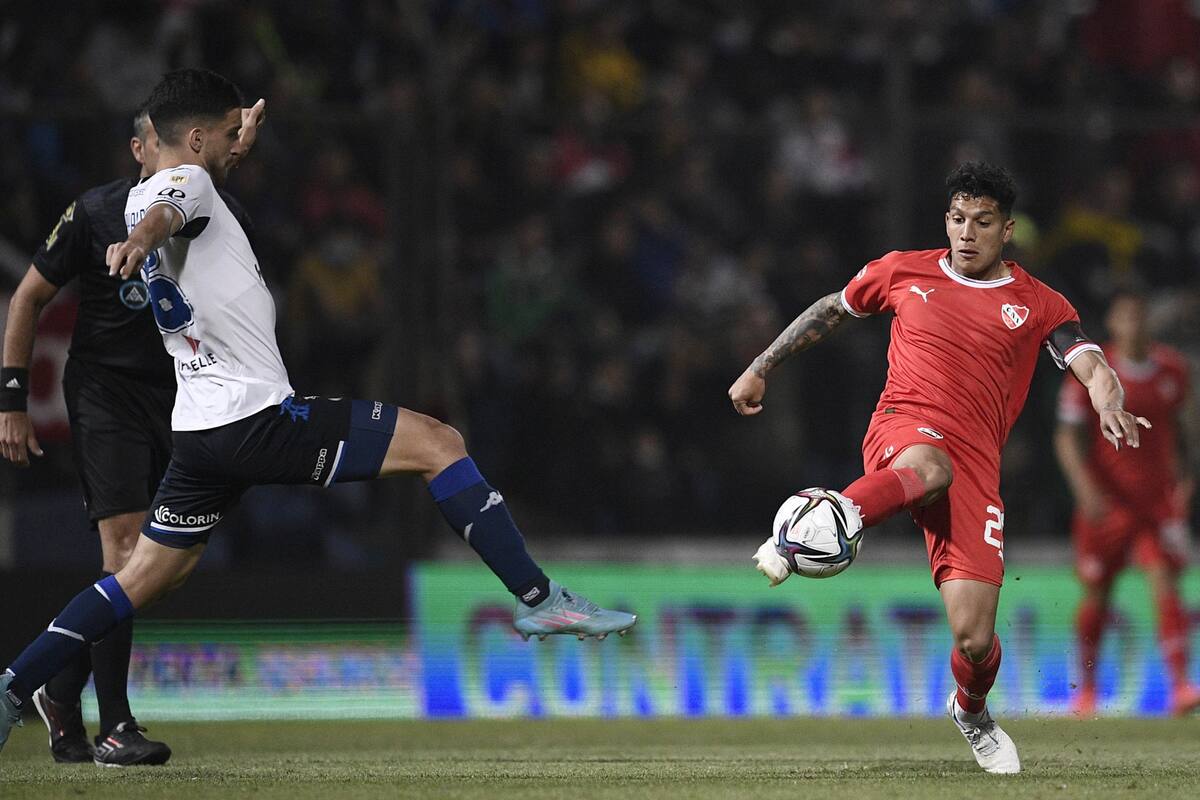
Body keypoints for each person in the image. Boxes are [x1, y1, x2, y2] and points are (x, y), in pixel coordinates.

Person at [0, 68, 635, 755]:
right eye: (224, 134)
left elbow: (174, 205)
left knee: (138, 579)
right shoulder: (184, 189)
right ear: (194, 137)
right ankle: (542, 601)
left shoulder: (146, 196)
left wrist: (185, 189)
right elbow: (172, 209)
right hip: (258, 422)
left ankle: (12, 689)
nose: (236, 146)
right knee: (438, 443)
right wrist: (145, 239)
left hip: (200, 432)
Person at [727, 162, 1148, 774]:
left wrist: (1110, 400)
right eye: (957, 219)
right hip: (905, 430)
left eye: (982, 222)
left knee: (975, 640)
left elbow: (1089, 362)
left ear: (1007, 230)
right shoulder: (904, 270)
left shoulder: (1037, 303)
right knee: (929, 464)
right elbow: (830, 308)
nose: (967, 233)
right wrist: (761, 363)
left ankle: (972, 711)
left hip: (977, 468)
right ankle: (827, 519)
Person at [0, 104, 259, 766]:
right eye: (163, 144)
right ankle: (115, 724)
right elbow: (27, 298)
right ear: (140, 150)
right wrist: (12, 401)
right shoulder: (94, 212)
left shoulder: (205, 209)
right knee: (124, 552)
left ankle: (62, 688)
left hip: (182, 399)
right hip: (105, 395)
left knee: (161, 572)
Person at [1054, 289, 1200, 717]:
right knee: (1098, 593)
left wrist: (1187, 481)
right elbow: (1067, 436)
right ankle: (1086, 690)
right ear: (1114, 324)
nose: (1135, 325)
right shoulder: (1094, 373)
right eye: (1126, 317)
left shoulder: (1173, 369)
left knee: (1165, 584)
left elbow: (1187, 429)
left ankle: (1180, 685)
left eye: (1140, 316)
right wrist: (1085, 490)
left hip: (1157, 502)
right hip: (1109, 502)